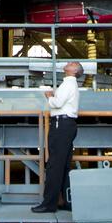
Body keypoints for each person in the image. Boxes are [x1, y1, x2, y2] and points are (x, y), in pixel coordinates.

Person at [32, 60, 81, 213]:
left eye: (72, 63)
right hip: (68, 125)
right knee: (64, 165)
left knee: (54, 165)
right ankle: (66, 201)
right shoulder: (70, 84)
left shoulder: (68, 84)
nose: (69, 62)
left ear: (75, 71)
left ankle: (49, 204)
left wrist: (49, 96)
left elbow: (57, 104)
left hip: (61, 125)